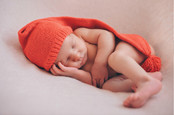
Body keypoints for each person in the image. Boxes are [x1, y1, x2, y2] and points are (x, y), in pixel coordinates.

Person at [18, 17, 162, 108]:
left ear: (72, 35)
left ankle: (144, 81)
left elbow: (106, 35)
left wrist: (99, 63)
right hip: (133, 67)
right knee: (107, 85)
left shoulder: (80, 33)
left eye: (73, 45)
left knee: (115, 58)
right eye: (67, 60)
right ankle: (145, 78)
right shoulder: (77, 68)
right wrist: (75, 73)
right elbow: (95, 81)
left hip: (133, 48)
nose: (76, 56)